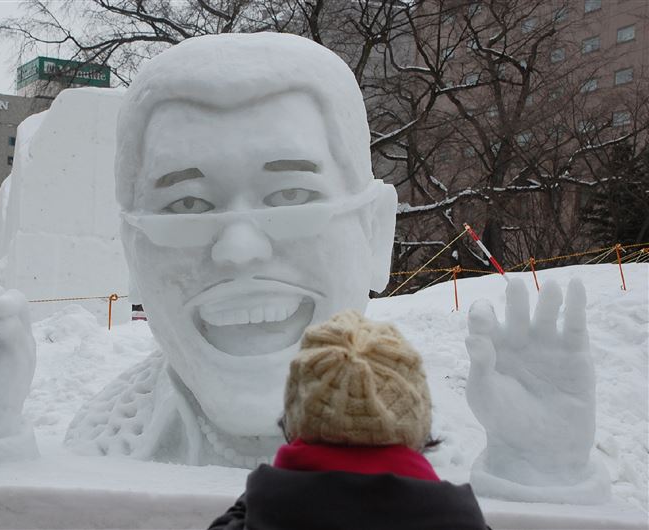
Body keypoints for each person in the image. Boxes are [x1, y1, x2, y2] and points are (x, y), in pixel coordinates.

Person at [64, 32, 398, 466]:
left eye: (292, 195)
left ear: (374, 233)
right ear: (132, 252)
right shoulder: (98, 455)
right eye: (187, 205)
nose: (240, 249)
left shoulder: (466, 456)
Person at [208, 310, 489, 529]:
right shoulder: (461, 520)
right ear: (417, 423)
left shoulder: (256, 515)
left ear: (295, 419)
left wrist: (263, 496)